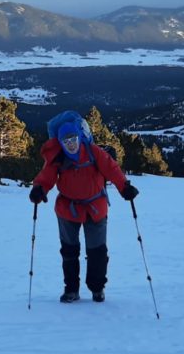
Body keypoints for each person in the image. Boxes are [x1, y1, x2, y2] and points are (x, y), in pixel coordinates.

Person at [29, 116, 140, 303]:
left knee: (97, 251)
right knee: (69, 251)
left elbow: (112, 169)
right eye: (66, 141)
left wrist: (124, 187)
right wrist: (39, 188)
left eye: (73, 139)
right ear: (61, 142)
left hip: (95, 207)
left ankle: (97, 288)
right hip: (67, 208)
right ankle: (71, 290)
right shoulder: (59, 158)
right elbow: (46, 175)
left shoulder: (93, 152)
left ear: (80, 137)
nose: (71, 144)